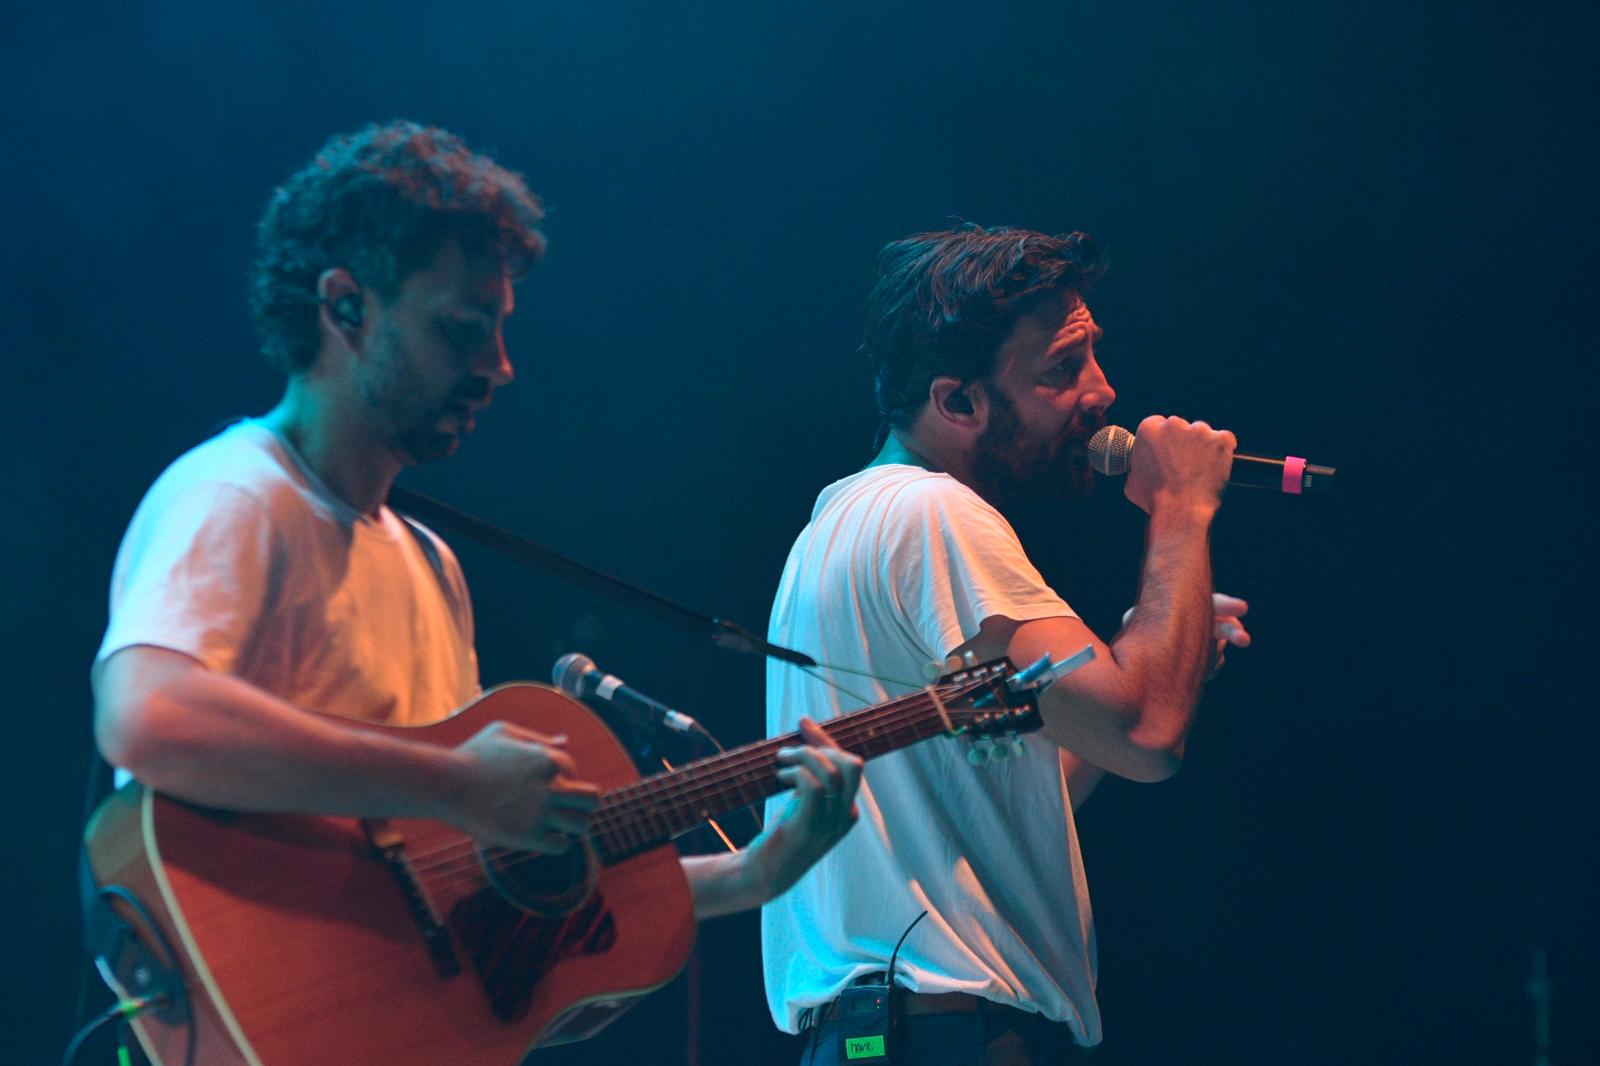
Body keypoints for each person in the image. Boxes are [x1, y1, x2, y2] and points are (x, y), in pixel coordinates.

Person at [91, 121, 862, 945]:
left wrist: (755, 875)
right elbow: (148, 717)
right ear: (346, 306)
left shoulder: (430, 565)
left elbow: (460, 878)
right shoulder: (238, 492)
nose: (500, 365)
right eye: (462, 329)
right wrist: (455, 781)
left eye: (499, 329)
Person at [761, 224, 1251, 1063]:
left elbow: (1029, 788)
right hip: (942, 1033)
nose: (1102, 391)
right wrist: (1181, 507)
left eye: (1093, 353)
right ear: (958, 403)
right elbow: (1146, 735)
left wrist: (1160, 657)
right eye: (1062, 368)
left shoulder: (841, 524)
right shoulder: (934, 513)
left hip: (895, 1035)